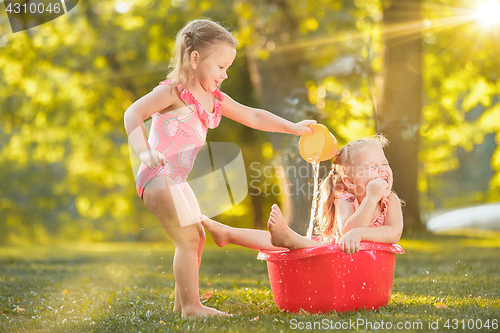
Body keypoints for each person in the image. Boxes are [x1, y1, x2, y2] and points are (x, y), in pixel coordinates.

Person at [123, 19, 316, 318]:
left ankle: (182, 306)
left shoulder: (213, 100)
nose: (224, 75)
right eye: (221, 67)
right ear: (195, 58)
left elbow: (254, 116)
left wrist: (293, 128)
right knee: (186, 239)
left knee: (197, 237)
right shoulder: (173, 93)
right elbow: (132, 113)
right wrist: (144, 152)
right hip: (157, 176)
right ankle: (191, 307)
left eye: (227, 68)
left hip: (175, 179)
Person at [202, 135, 404, 255]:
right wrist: (369, 199)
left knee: (296, 243)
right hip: (335, 261)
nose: (382, 170)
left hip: (365, 268)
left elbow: (393, 233)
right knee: (299, 245)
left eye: (384, 164)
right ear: (350, 181)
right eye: (372, 167)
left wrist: (360, 232)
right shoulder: (345, 198)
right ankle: (229, 234)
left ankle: (287, 238)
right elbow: (348, 231)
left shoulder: (390, 201)